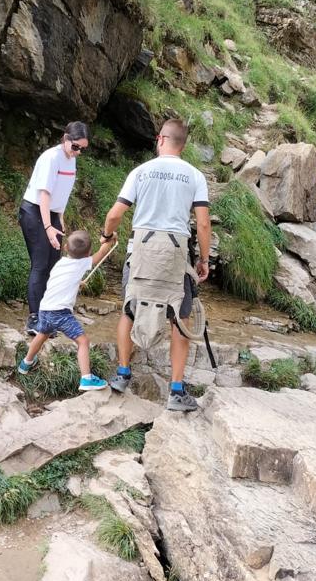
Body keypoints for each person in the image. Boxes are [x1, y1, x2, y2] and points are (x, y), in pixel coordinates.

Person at [100, 119, 211, 413]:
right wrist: (203, 259)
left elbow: (114, 215)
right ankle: (176, 391)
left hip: (141, 248)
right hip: (176, 253)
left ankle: (123, 374)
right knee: (180, 317)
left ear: (160, 139)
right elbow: (202, 222)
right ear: (183, 146)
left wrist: (106, 236)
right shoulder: (195, 176)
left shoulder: (140, 172)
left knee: (129, 308)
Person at [17, 230, 116, 392]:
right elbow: (102, 252)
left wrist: (77, 282)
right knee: (83, 341)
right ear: (88, 253)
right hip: (60, 313)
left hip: (45, 309)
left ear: (65, 248)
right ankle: (86, 379)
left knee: (43, 334)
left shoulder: (60, 263)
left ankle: (26, 363)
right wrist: (110, 239)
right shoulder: (83, 263)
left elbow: (62, 281)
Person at [19, 122, 90, 337]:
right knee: (40, 264)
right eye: (75, 147)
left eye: (82, 150)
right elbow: (44, 195)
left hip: (52, 214)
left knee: (53, 265)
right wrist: (48, 226)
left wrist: (59, 218)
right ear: (65, 138)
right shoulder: (51, 158)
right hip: (34, 212)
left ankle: (47, 317)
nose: (77, 152)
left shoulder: (71, 162)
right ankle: (34, 318)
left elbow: (63, 192)